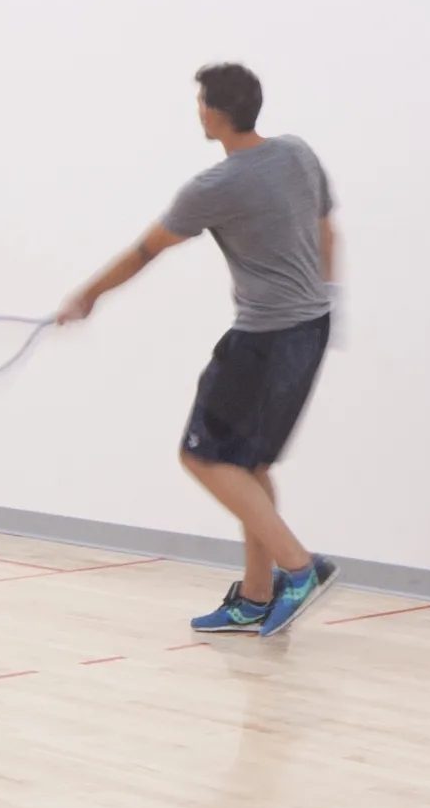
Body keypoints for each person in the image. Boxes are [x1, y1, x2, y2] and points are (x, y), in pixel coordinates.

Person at [59, 59, 340, 638]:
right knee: (250, 464)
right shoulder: (298, 153)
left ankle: (298, 568)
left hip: (264, 338)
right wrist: (322, 296)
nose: (198, 112)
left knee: (203, 457)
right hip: (310, 329)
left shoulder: (215, 187)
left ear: (213, 113)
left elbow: (144, 251)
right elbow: (327, 227)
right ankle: (256, 597)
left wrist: (88, 295)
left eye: (200, 103)